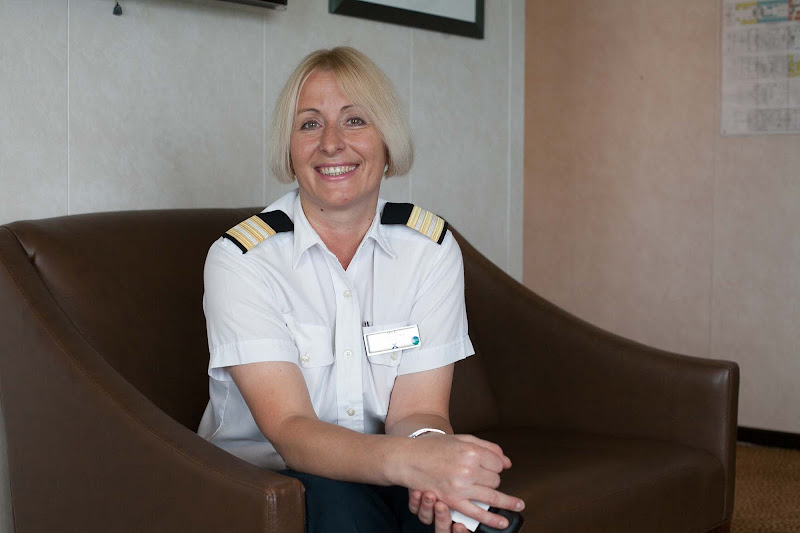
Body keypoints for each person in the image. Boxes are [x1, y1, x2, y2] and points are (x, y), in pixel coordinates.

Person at [198, 46, 524, 533]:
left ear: (387, 143)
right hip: (269, 476)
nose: (331, 143)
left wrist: (434, 458)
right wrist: (412, 464)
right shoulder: (242, 260)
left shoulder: (429, 249)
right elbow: (290, 430)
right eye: (309, 124)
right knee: (346, 515)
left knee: (473, 521)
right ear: (289, 150)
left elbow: (419, 411)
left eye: (354, 121)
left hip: (387, 464)